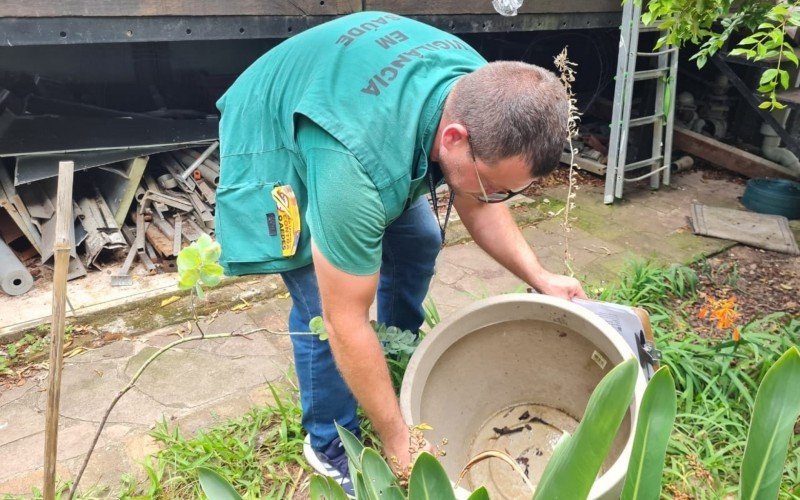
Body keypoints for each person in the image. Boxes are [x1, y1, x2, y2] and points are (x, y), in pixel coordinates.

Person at [215, 11, 586, 494]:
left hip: (356, 98)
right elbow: (343, 320)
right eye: (494, 186)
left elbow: (481, 204)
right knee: (321, 309)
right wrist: (399, 441)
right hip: (278, 123)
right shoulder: (353, 172)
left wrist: (541, 277)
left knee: (420, 238)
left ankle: (393, 349)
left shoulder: (478, 91)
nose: (495, 199)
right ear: (454, 138)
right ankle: (328, 439)